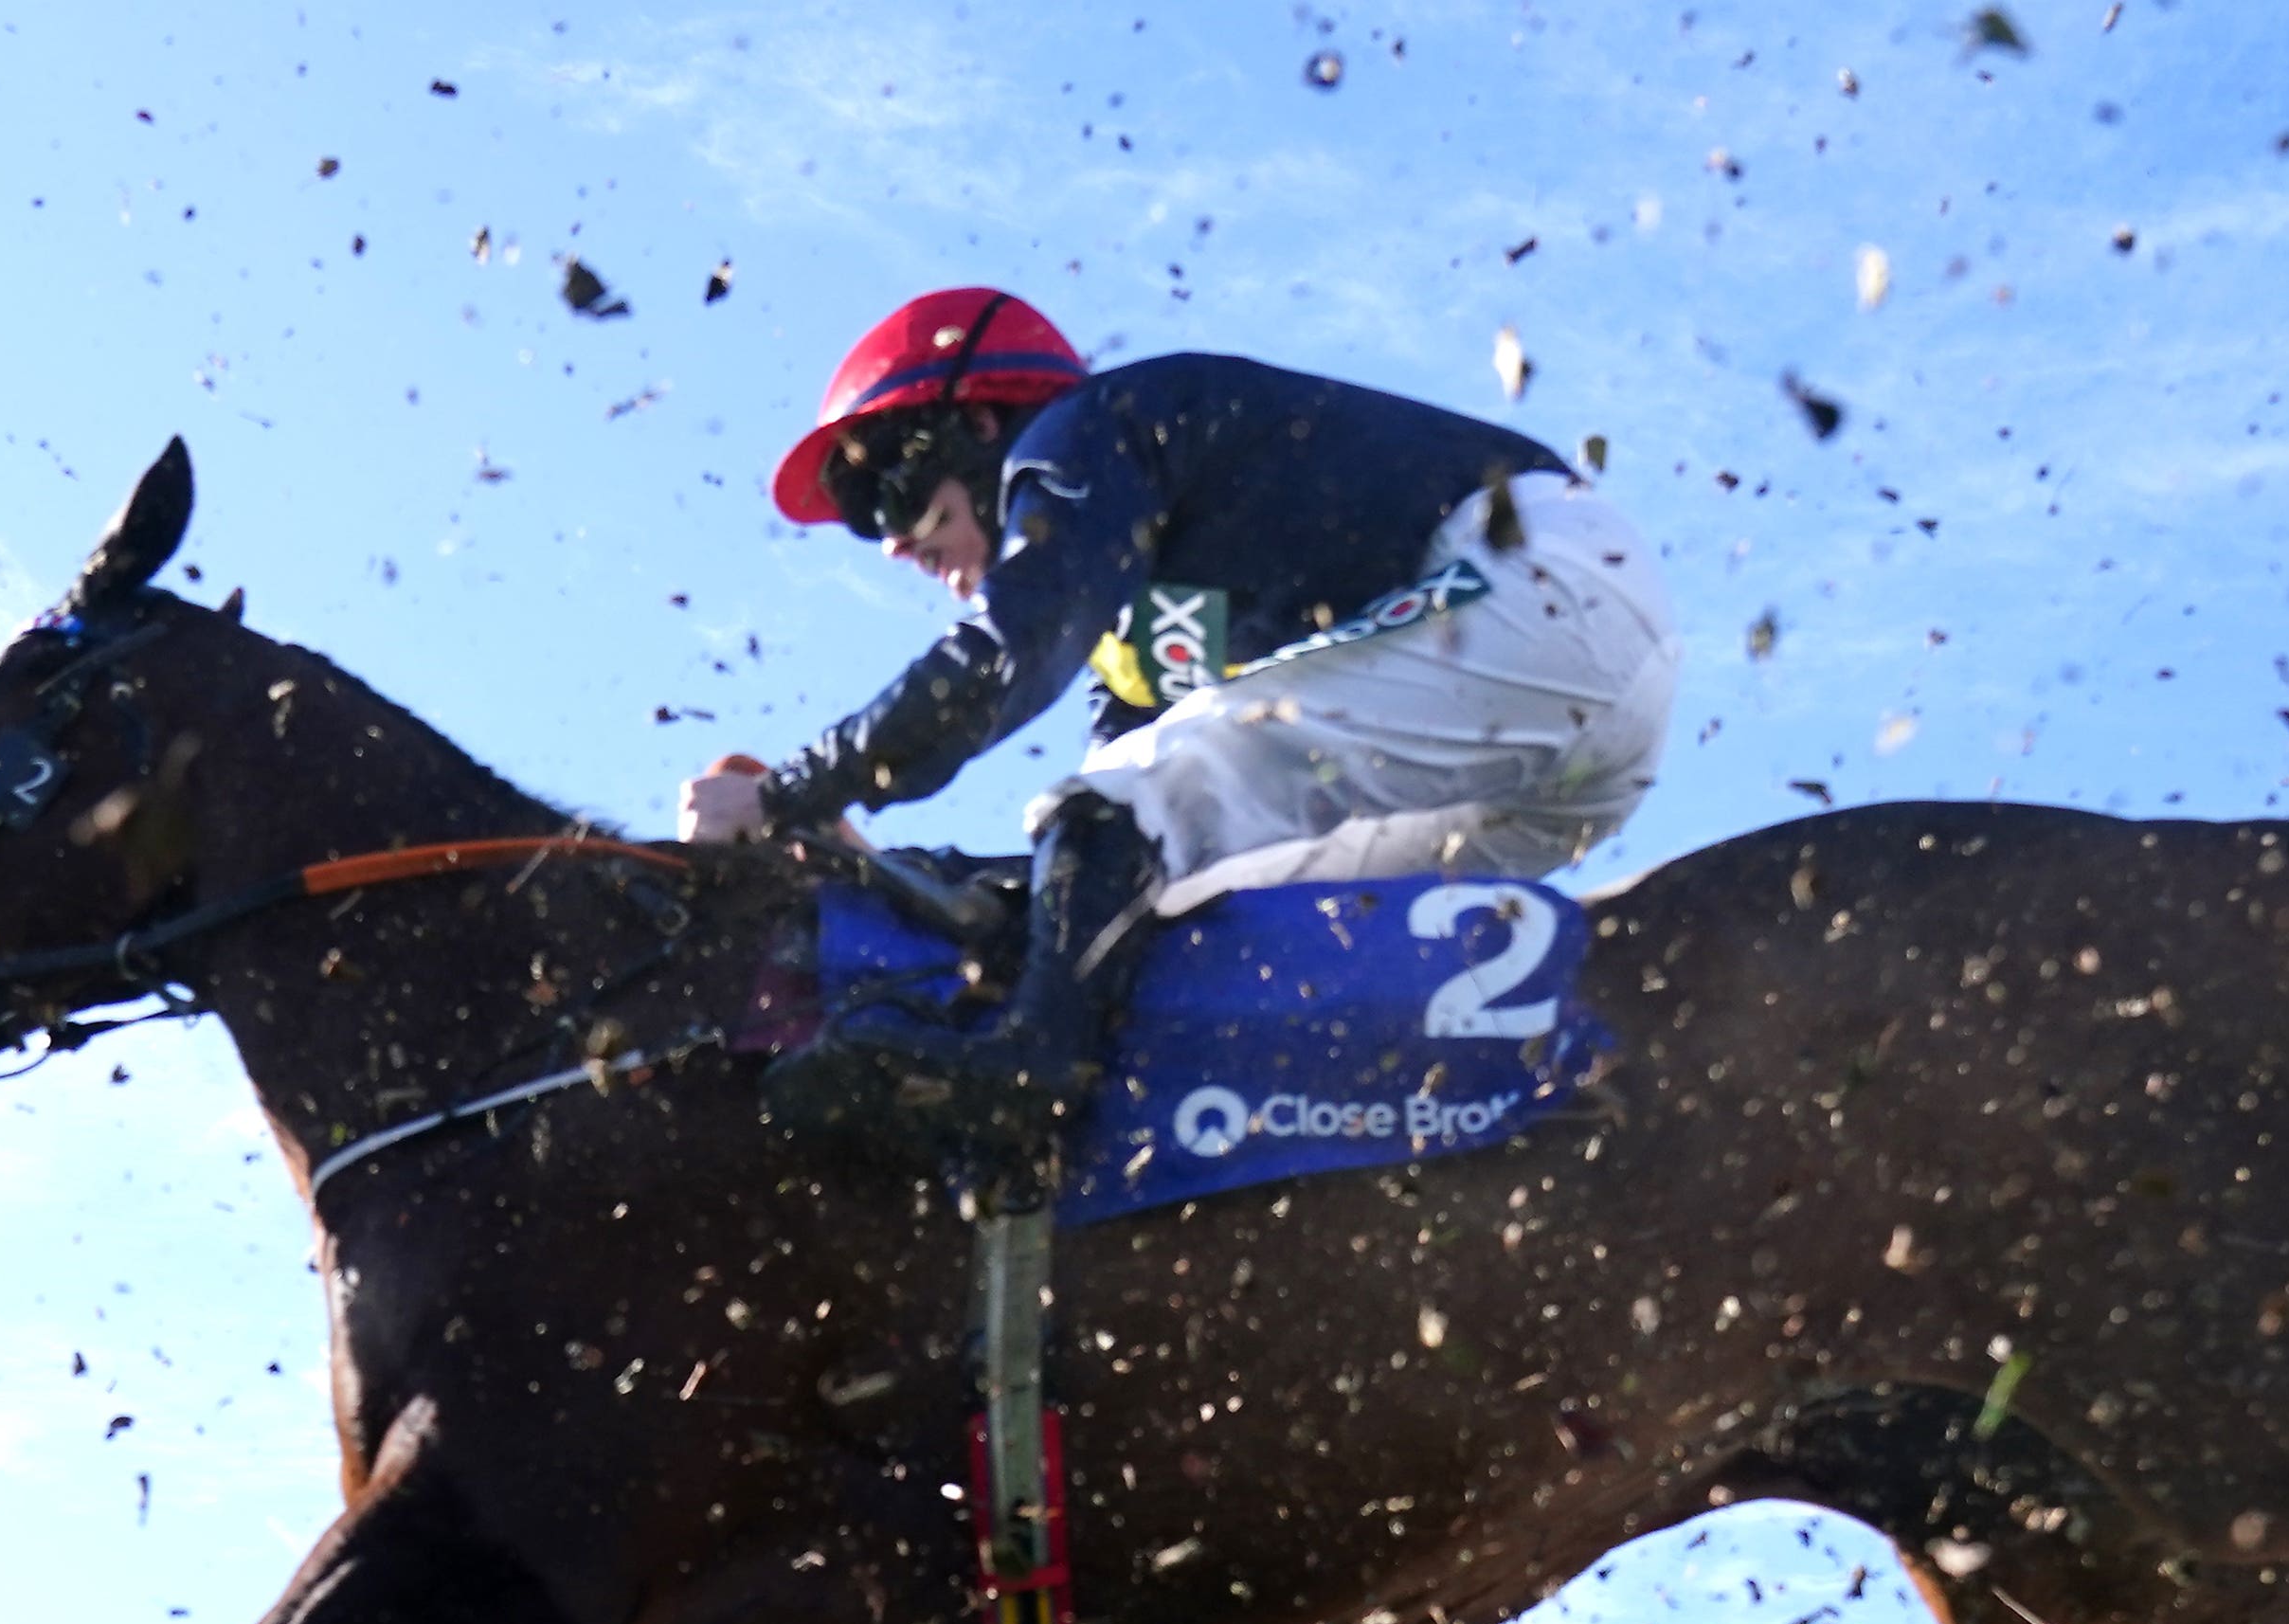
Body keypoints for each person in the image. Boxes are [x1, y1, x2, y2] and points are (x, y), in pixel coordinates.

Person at [677, 289, 1679, 1186]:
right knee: (1174, 893)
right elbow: (1105, 839)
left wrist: (787, 795)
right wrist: (897, 874)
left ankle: (1032, 1077)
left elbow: (1009, 653)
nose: (893, 541)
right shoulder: (1146, 611)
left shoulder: (1081, 432)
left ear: (977, 426)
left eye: (888, 494)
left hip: (1539, 586)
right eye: (866, 523)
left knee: (1128, 808)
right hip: (1575, 744)